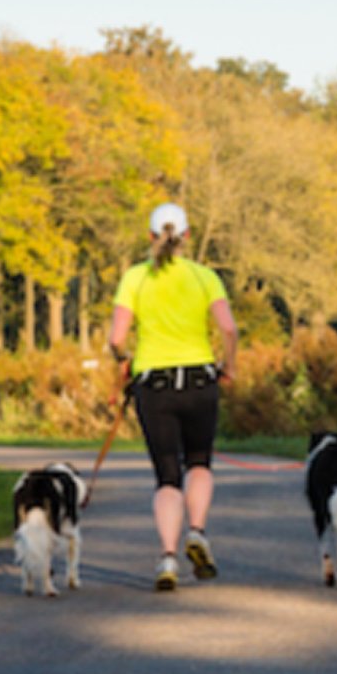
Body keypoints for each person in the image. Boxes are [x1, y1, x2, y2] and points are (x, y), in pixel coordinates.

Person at [109, 202, 238, 591]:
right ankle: (196, 532)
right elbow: (229, 329)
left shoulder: (135, 278)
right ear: (188, 236)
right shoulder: (204, 277)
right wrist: (228, 366)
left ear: (150, 236)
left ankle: (167, 558)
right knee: (199, 463)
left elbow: (116, 338)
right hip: (200, 380)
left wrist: (125, 360)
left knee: (167, 477)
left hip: (155, 386)